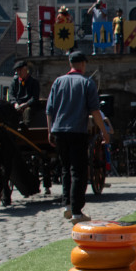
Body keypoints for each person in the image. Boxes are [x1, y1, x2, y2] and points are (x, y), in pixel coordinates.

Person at [46, 51, 110, 223]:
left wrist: (49, 131)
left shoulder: (58, 82)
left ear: (70, 64)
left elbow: (49, 110)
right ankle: (76, 211)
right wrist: (104, 132)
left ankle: (67, 204)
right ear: (83, 64)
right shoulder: (86, 83)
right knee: (78, 171)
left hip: (59, 130)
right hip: (76, 131)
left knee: (66, 169)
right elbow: (95, 112)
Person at [11, 60, 41, 128]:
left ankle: (25, 127)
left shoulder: (34, 82)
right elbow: (11, 95)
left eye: (20, 70)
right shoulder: (14, 83)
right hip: (17, 105)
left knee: (28, 111)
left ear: (25, 70)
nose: (18, 73)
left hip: (29, 105)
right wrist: (15, 104)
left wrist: (26, 104)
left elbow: (35, 97)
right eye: (17, 71)